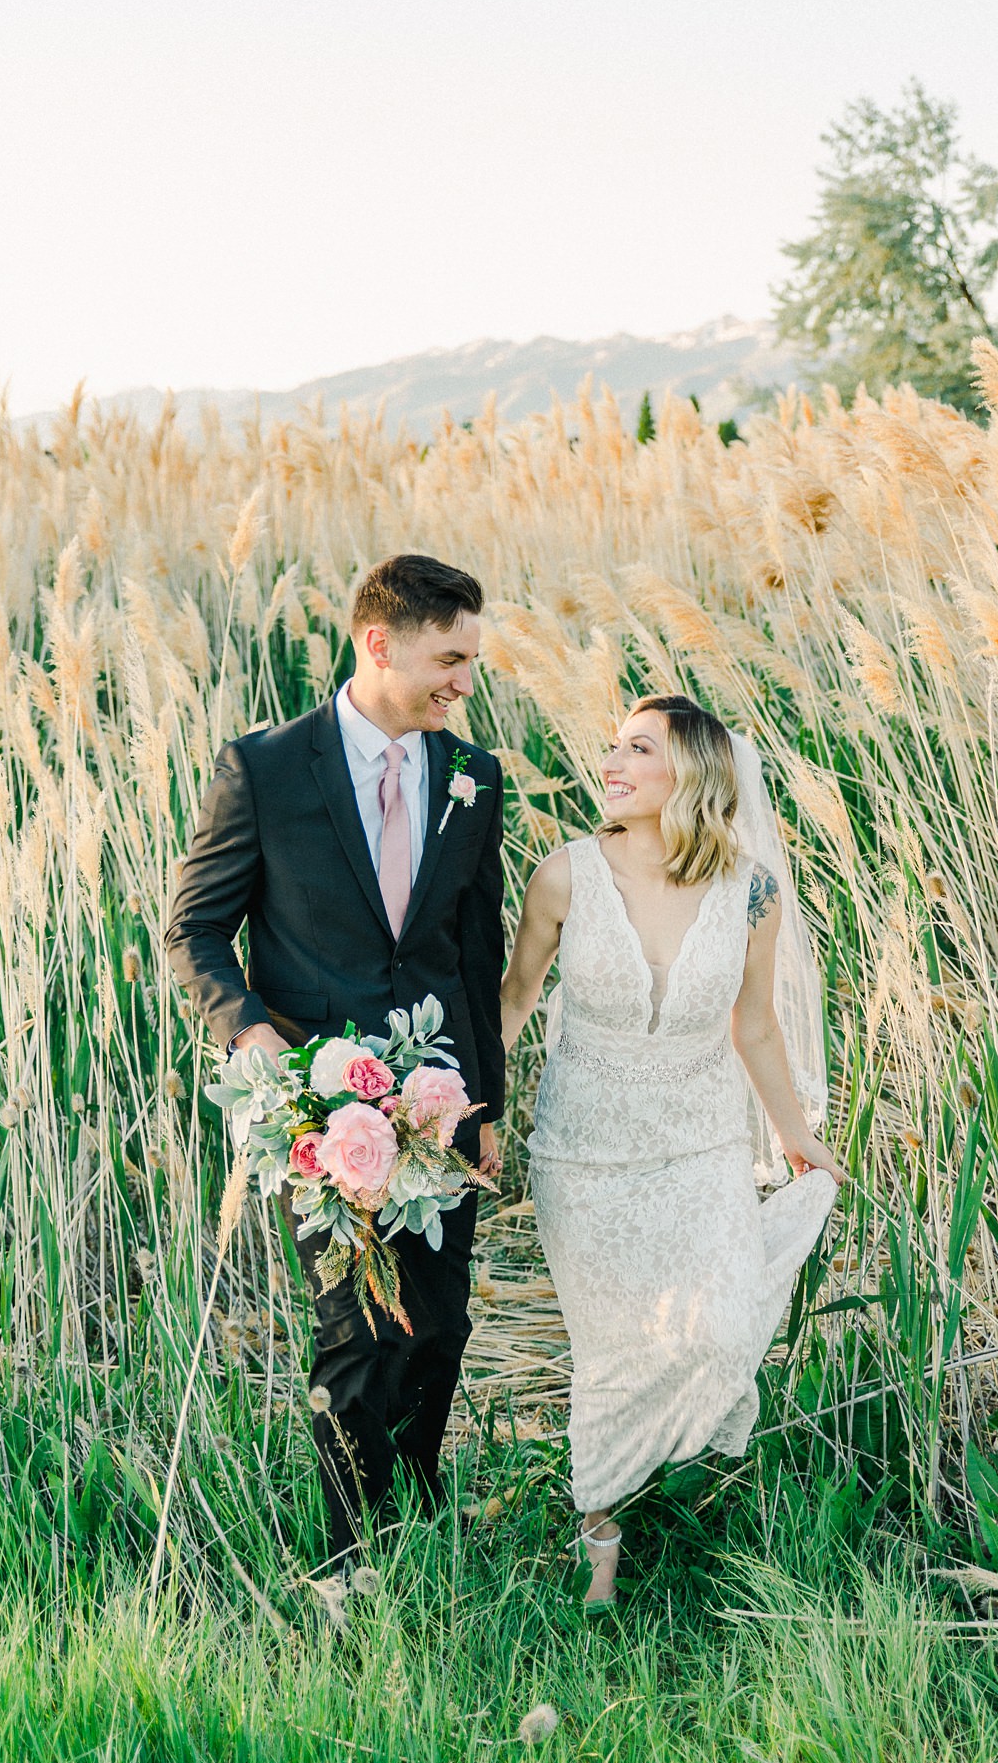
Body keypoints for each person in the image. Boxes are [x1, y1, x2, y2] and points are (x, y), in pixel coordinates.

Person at [165, 553, 505, 1565]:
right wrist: (249, 1029)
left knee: (439, 1332)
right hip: (322, 1111)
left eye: (472, 662)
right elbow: (194, 928)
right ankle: (347, 1564)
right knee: (362, 1337)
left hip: (439, 1101)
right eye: (449, 658)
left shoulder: (473, 777)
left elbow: (474, 953)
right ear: (378, 644)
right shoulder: (266, 769)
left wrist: (483, 1105)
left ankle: (418, 1528)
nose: (463, 681)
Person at [500, 693, 843, 1611]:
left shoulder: (752, 893)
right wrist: (462, 1109)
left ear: (689, 771)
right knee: (610, 1351)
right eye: (611, 745)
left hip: (700, 1148)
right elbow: (514, 1001)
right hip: (585, 1155)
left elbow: (757, 1028)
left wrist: (794, 1136)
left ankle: (667, 1472)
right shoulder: (565, 876)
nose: (610, 762)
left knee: (723, 1329)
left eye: (637, 749)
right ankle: (600, 1545)